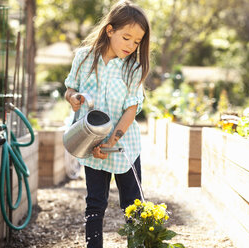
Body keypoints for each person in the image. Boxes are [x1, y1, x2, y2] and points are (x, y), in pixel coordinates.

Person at [63, 1, 150, 247]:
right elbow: (70, 88)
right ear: (110, 30)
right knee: (95, 203)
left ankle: (136, 244)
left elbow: (131, 109)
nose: (131, 46)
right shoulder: (84, 57)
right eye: (126, 37)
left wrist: (111, 142)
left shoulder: (134, 67)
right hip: (90, 144)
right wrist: (73, 98)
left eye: (137, 42)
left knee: (133, 204)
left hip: (124, 146)